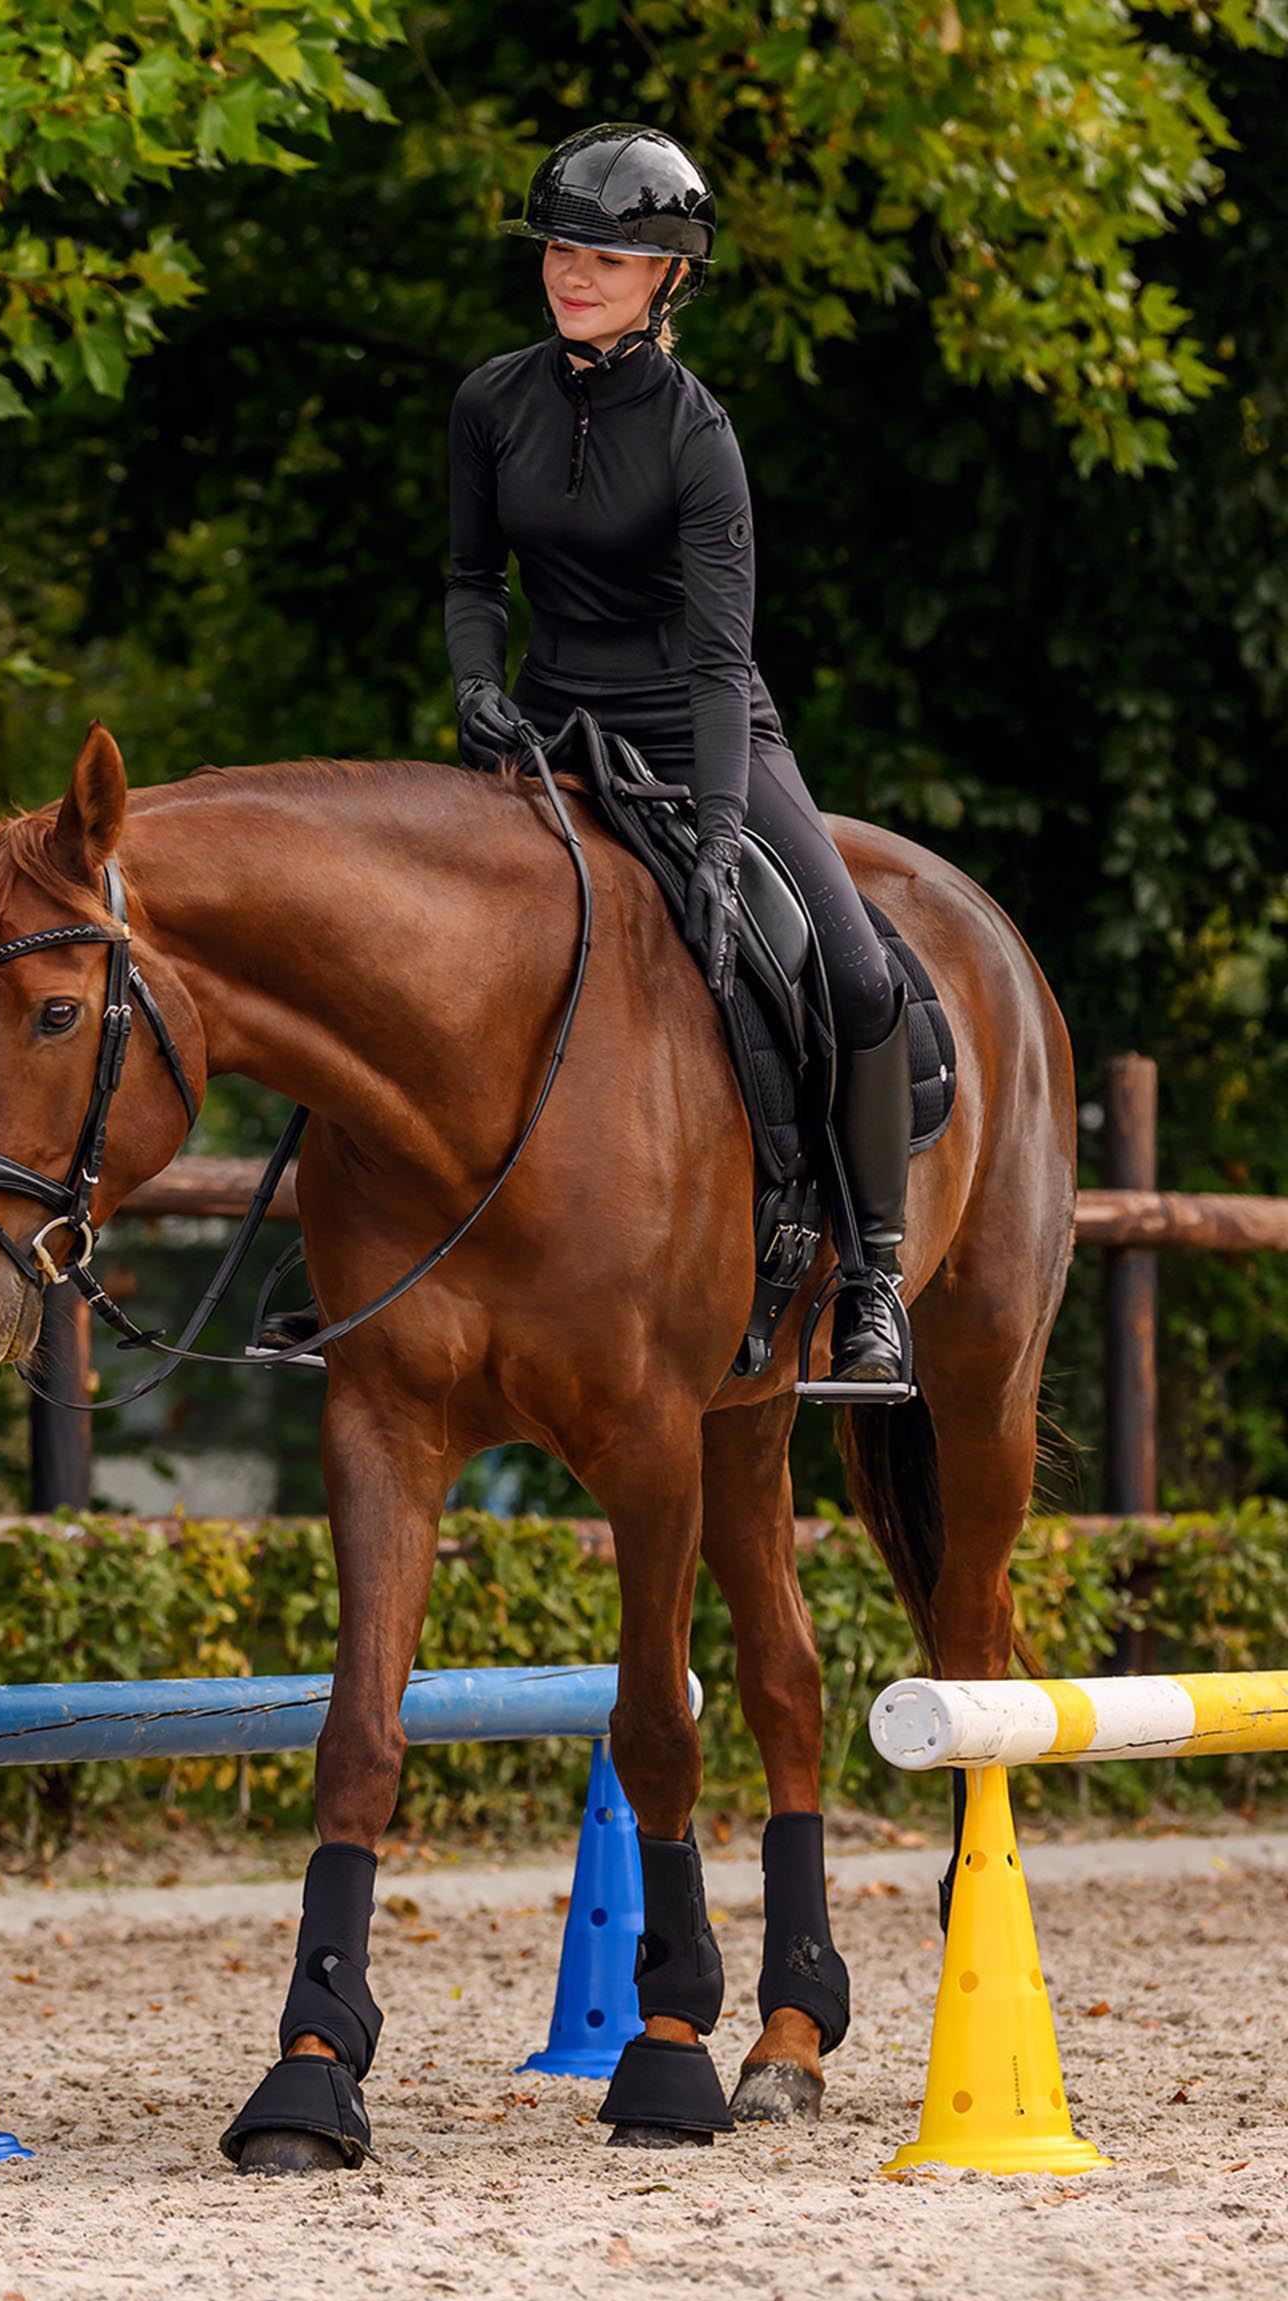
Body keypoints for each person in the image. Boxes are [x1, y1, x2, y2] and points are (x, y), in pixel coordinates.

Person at [446, 122, 912, 1387]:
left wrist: (716, 838)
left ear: (668, 278)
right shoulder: (490, 401)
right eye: (558, 247)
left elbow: (718, 662)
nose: (571, 271)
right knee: (401, 940)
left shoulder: (699, 438)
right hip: (546, 725)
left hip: (700, 727)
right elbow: (471, 577)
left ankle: (872, 1277)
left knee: (858, 973)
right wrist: (477, 686)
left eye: (603, 254)